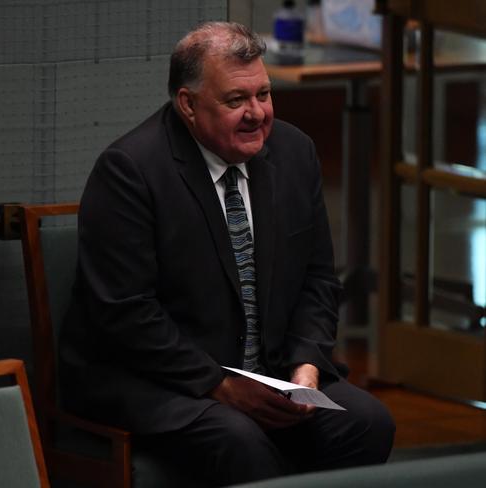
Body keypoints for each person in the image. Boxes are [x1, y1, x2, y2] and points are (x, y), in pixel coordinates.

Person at [59, 21, 394, 486]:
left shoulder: (295, 152)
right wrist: (219, 385)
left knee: (368, 422)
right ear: (188, 105)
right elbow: (124, 314)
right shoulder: (131, 172)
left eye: (264, 94)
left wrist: (307, 366)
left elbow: (318, 280)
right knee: (238, 439)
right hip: (160, 379)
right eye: (236, 100)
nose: (257, 113)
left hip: (275, 371)